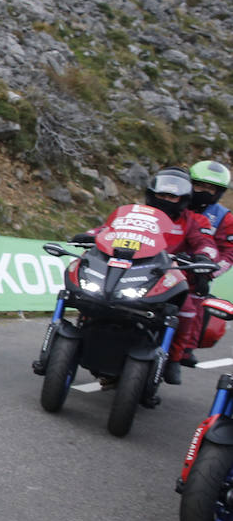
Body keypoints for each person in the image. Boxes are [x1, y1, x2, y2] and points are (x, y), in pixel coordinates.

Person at [74, 168, 216, 384]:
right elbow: (107, 229)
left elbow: (206, 244)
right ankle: (84, 328)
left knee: (186, 309)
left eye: (172, 196)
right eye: (162, 195)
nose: (166, 199)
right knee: (89, 292)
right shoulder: (134, 213)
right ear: (152, 193)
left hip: (167, 273)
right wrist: (90, 235)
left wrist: (204, 258)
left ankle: (175, 358)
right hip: (128, 267)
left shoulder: (194, 221)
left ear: (183, 198)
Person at [174, 160, 233, 367]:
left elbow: (229, 252)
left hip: (196, 271)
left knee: (196, 299)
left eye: (212, 189)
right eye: (200, 186)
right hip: (161, 262)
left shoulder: (224, 217)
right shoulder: (172, 200)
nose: (205, 192)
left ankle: (182, 352)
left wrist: (208, 273)